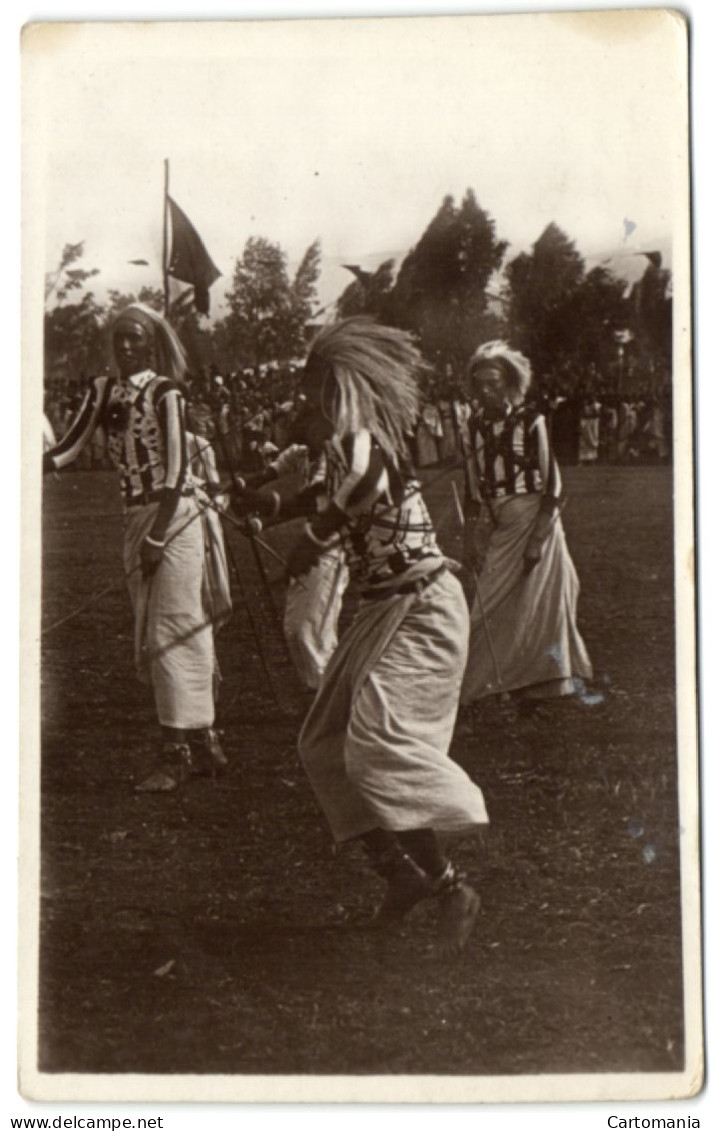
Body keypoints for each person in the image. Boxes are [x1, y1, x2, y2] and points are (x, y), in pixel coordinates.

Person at [238, 317, 488, 956]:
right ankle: (401, 878)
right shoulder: (341, 450)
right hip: (383, 610)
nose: (304, 402)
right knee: (322, 744)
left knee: (376, 742)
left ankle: (452, 888)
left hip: (424, 606)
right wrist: (266, 507)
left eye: (315, 389)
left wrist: (314, 539)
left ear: (339, 391)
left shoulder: (368, 441)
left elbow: (366, 484)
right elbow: (328, 493)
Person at [43, 303, 229, 791]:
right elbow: (68, 449)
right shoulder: (104, 390)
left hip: (175, 517)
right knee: (159, 623)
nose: (125, 346)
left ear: (150, 344)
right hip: (136, 517)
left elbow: (176, 471)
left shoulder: (167, 393)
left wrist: (158, 534)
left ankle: (177, 752)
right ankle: (204, 741)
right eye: (119, 337)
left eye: (135, 338)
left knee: (175, 624)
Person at [459, 340, 592, 709]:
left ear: (510, 383)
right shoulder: (471, 428)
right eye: (480, 383)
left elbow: (554, 485)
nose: (487, 390)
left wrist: (537, 538)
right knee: (490, 601)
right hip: (497, 520)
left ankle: (543, 683)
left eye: (494, 382)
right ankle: (491, 681)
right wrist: (469, 539)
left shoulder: (531, 421)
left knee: (541, 599)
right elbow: (472, 489)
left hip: (535, 518)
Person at [235, 442, 349, 691]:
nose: (296, 417)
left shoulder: (336, 454)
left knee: (309, 628)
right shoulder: (304, 451)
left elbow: (311, 503)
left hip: (332, 545)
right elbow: (269, 473)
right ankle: (322, 694)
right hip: (314, 542)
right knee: (296, 629)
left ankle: (329, 696)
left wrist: (262, 504)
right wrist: (244, 487)